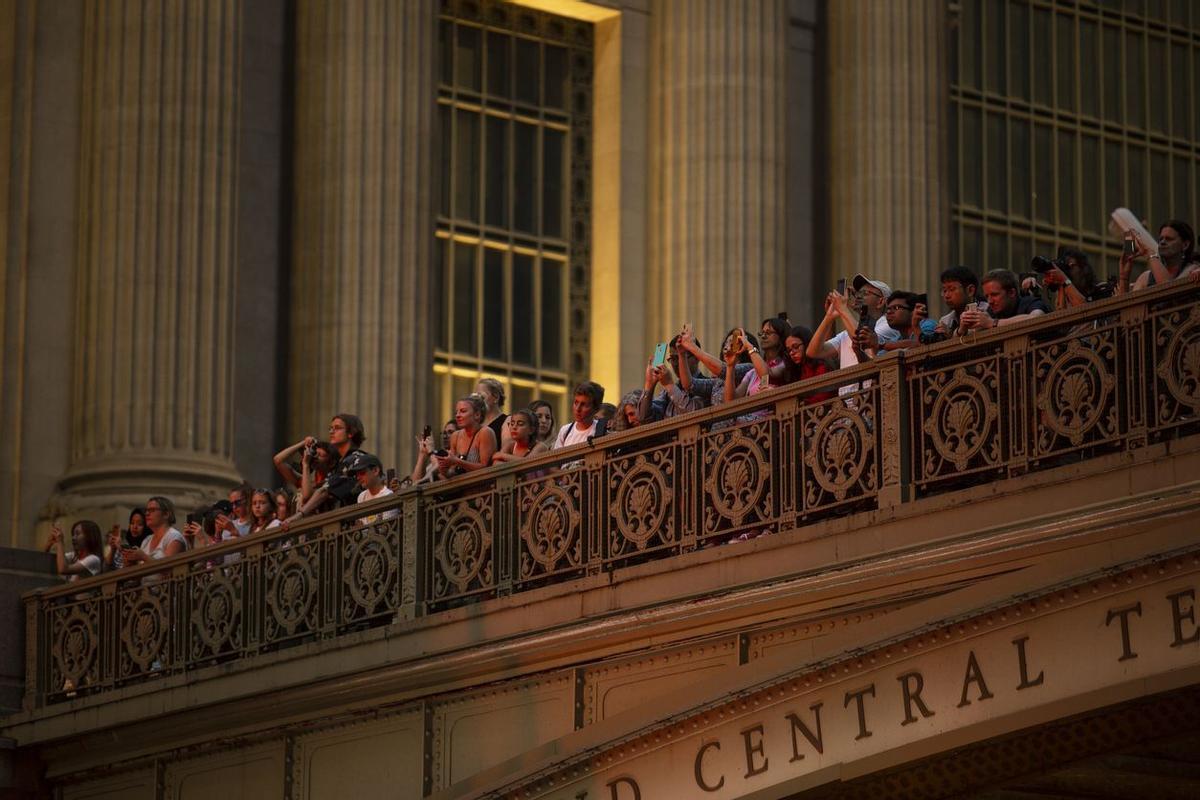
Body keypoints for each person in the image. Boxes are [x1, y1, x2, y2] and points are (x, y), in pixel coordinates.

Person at [283, 413, 367, 528]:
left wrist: (298, 515)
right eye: (330, 428)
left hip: (355, 528)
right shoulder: (338, 466)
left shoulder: (356, 458)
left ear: (351, 433)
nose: (331, 431)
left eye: (337, 428)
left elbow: (323, 492)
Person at [1118, 219, 1200, 293]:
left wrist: (1149, 253)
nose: (1162, 242)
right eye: (1161, 239)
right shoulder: (1146, 278)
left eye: (1169, 239)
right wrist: (1124, 277)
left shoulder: (1193, 270)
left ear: (1185, 245)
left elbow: (1169, 290)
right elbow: (1129, 306)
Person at [960, 269, 1050, 330]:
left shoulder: (1029, 302)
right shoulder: (991, 311)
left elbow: (1036, 317)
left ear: (1012, 293)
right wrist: (963, 328)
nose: (990, 301)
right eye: (987, 296)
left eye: (994, 295)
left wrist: (992, 323)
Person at [434, 395, 497, 478]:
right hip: (460, 486)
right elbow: (452, 472)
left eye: (463, 411)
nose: (457, 415)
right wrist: (444, 468)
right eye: (456, 412)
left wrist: (457, 461)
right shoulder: (455, 436)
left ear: (477, 414)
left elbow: (485, 468)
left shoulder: (485, 432)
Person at [272, 437, 336, 506]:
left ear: (331, 463)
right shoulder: (310, 482)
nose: (315, 457)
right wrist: (303, 443)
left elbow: (306, 496)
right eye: (314, 453)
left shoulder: (332, 482)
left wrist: (306, 464)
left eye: (320, 455)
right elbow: (278, 460)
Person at [121, 497, 186, 565]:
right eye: (147, 510)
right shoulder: (147, 540)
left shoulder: (174, 537)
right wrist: (131, 562)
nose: (147, 514)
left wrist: (143, 556)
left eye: (152, 510)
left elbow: (168, 569)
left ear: (166, 514)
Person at [782, 325, 835, 404]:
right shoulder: (796, 369)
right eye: (789, 350)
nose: (792, 353)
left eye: (796, 347)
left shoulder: (821, 365)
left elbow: (823, 396)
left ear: (806, 343)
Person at [723, 327, 773, 403]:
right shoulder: (752, 373)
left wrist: (748, 346)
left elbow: (765, 375)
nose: (763, 336)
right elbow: (730, 402)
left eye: (768, 332)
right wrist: (730, 366)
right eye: (761, 333)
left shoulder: (783, 364)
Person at [346, 451, 398, 525]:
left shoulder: (388, 495)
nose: (358, 477)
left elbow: (388, 529)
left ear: (375, 471)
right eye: (357, 475)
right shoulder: (361, 496)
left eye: (362, 473)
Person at [935, 266, 987, 338]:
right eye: (944, 291)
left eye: (952, 289)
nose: (946, 296)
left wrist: (950, 335)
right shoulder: (945, 321)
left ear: (970, 290)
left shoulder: (987, 310)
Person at [553, 381, 605, 449]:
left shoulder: (601, 431)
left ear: (596, 409)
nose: (577, 409)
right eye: (576, 402)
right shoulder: (565, 431)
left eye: (584, 405)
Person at [476, 378, 511, 448]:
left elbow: (506, 450)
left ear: (496, 397)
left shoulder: (507, 420)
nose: (478, 401)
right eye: (476, 397)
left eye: (482, 397)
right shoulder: (476, 421)